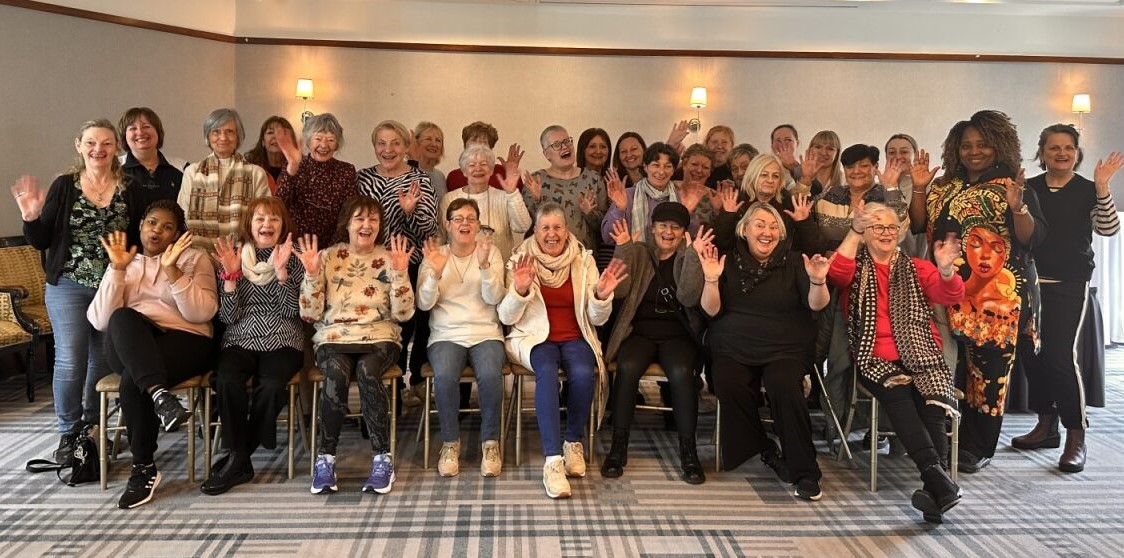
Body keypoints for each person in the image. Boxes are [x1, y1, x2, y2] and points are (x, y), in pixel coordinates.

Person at [908, 109, 1047, 473]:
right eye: (966, 145)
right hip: (946, 289)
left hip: (996, 298)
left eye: (983, 144)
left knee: (987, 376)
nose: (974, 151)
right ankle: (950, 436)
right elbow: (919, 223)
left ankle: (979, 446)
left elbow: (1032, 237)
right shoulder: (945, 184)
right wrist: (920, 187)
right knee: (951, 368)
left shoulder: (1013, 185)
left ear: (999, 145)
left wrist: (1018, 208)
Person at [827, 202, 964, 523]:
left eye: (891, 227)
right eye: (877, 227)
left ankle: (936, 487)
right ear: (865, 233)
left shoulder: (918, 266)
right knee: (900, 398)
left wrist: (945, 270)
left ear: (900, 232)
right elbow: (836, 272)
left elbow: (950, 295)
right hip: (875, 356)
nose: (886, 233)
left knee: (932, 403)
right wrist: (855, 231)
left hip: (922, 353)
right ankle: (937, 477)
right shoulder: (855, 265)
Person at [686, 202, 831, 501]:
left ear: (780, 233)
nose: (767, 231)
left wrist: (817, 280)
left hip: (785, 349)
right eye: (760, 225)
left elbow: (817, 304)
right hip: (733, 346)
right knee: (726, 380)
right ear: (745, 230)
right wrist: (711, 278)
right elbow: (711, 311)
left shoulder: (795, 262)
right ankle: (765, 449)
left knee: (783, 384)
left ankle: (805, 471)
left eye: (773, 226)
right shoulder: (725, 260)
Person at [86, 200, 218, 509]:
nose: (157, 230)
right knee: (120, 318)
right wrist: (117, 270)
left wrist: (172, 271)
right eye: (152, 223)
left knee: (133, 380)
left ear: (177, 233)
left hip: (185, 341)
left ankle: (143, 468)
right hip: (131, 343)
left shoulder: (194, 259)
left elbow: (202, 313)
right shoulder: (124, 262)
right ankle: (161, 396)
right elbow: (100, 320)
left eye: (167, 226)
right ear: (142, 225)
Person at [13, 119, 130, 464]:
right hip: (67, 284)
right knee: (70, 359)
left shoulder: (130, 188)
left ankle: (92, 431)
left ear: (116, 148)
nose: (99, 150)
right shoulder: (64, 186)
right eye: (91, 143)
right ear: (79, 145)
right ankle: (68, 432)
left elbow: (138, 235)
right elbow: (42, 240)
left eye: (107, 143)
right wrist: (31, 218)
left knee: (102, 359)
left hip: (111, 285)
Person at [498, 203, 627, 499]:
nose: (552, 234)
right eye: (545, 228)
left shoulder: (583, 260)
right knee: (545, 372)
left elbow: (597, 319)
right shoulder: (520, 259)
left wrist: (600, 295)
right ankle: (553, 460)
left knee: (583, 373)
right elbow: (506, 317)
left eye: (557, 227)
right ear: (536, 231)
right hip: (534, 338)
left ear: (567, 231)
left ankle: (572, 442)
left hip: (575, 336)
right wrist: (518, 290)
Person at [1015, 124, 1121, 473]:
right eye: (1053, 147)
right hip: (1028, 282)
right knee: (1032, 355)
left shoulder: (1089, 190)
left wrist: (1104, 187)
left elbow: (1108, 229)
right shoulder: (1028, 188)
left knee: (1060, 357)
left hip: (1068, 282)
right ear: (1041, 152)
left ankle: (1077, 435)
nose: (1061, 153)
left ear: (1077, 152)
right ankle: (1046, 426)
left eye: (1068, 147)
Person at [297, 196, 416, 495]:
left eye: (373, 219)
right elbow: (310, 314)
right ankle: (325, 459)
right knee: (336, 374)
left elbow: (404, 314)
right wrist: (311, 275)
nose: (367, 225)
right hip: (334, 337)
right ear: (347, 224)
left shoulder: (390, 258)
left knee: (367, 371)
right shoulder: (327, 257)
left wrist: (401, 273)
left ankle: (381, 458)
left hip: (379, 336)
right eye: (360, 219)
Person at [202, 197, 305, 495]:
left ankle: (238, 455)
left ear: (283, 225)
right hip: (241, 337)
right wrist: (231, 279)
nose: (266, 224)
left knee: (272, 385)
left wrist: (283, 273)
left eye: (273, 219)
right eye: (260, 219)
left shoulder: (293, 257)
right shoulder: (236, 256)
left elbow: (292, 312)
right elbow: (228, 316)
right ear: (249, 225)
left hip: (283, 337)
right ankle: (239, 456)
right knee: (226, 378)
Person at [601, 203, 707, 484]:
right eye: (662, 225)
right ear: (652, 227)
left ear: (684, 232)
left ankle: (688, 452)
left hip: (677, 335)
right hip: (640, 332)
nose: (667, 232)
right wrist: (622, 249)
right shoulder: (637, 251)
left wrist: (694, 257)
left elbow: (688, 297)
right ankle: (617, 447)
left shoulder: (688, 255)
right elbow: (620, 292)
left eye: (674, 227)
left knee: (682, 373)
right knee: (627, 366)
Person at [417, 199, 507, 478]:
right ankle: (450, 443)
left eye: (470, 218)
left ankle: (490, 444)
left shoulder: (491, 253)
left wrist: (484, 266)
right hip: (446, 334)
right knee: (444, 375)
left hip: (485, 332)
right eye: (458, 218)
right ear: (447, 224)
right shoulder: (435, 254)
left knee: (492, 374)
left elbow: (495, 299)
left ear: (479, 224)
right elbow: (423, 303)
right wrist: (435, 273)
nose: (464, 224)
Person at [356, 120, 439, 407]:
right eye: (382, 143)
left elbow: (429, 229)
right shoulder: (363, 179)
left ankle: (408, 383)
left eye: (395, 143)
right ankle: (384, 390)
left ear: (406, 147)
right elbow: (358, 225)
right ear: (374, 146)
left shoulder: (420, 180)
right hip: (372, 266)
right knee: (380, 326)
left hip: (410, 264)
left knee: (409, 326)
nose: (388, 149)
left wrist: (408, 213)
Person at [177, 108, 271, 253]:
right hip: (199, 255)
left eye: (229, 132)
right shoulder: (192, 172)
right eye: (216, 132)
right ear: (208, 136)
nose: (223, 137)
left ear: (238, 136)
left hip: (243, 255)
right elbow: (182, 215)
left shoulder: (255, 173)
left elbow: (264, 218)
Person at [712, 154, 819, 256]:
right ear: (752, 176)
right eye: (764, 175)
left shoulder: (790, 204)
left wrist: (804, 222)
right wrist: (727, 215)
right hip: (742, 270)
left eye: (775, 176)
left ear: (780, 181)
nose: (770, 180)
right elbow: (721, 246)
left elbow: (813, 249)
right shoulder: (735, 203)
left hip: (783, 269)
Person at [438, 144, 531, 263]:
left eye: (484, 164)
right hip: (460, 273)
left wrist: (512, 193)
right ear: (464, 171)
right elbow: (440, 238)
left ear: (491, 170)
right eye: (472, 165)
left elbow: (523, 227)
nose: (478, 168)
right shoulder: (449, 198)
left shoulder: (504, 196)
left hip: (498, 271)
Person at [523, 125, 608, 253]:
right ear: (547, 154)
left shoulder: (594, 179)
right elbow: (528, 226)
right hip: (547, 261)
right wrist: (537, 200)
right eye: (556, 144)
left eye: (567, 141)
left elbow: (605, 229)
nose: (565, 146)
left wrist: (589, 213)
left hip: (584, 261)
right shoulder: (536, 181)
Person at [275, 113, 357, 246]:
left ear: (337, 144)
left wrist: (331, 249)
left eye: (330, 140)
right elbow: (279, 205)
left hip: (332, 247)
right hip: (296, 246)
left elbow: (348, 215)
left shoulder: (346, 171)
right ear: (308, 140)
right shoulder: (295, 165)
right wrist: (293, 167)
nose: (323, 145)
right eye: (318, 139)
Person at [602, 143, 704, 244]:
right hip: (633, 257)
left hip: (672, 259)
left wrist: (688, 213)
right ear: (645, 167)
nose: (661, 172)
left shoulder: (681, 197)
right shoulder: (628, 195)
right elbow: (608, 238)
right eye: (656, 165)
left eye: (667, 166)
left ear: (673, 170)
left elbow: (692, 238)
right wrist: (620, 210)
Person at [117, 107, 186, 248]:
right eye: (132, 128)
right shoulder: (114, 169)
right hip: (126, 253)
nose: (140, 132)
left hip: (172, 253)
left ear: (158, 132)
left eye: (146, 126)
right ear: (124, 135)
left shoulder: (182, 168)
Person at [884, 134, 931, 260]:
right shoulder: (879, 187)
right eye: (892, 152)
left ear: (914, 155)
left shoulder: (927, 185)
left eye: (904, 152)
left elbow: (918, 226)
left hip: (917, 257)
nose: (898, 157)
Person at [446, 121, 522, 192]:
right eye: (473, 141)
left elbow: (518, 196)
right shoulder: (454, 177)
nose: (478, 146)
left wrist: (512, 171)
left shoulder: (500, 172)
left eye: (483, 142)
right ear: (465, 145)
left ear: (490, 148)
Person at [244, 116, 298, 188]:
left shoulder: (300, 167)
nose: (275, 136)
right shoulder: (251, 167)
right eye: (270, 132)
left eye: (281, 132)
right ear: (263, 141)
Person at [794, 130, 843, 197]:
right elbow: (791, 202)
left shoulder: (845, 179)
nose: (823, 153)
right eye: (818, 147)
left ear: (837, 153)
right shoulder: (796, 174)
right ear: (810, 150)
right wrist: (806, 179)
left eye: (830, 149)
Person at [412, 121, 448, 200]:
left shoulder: (440, 176)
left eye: (438, 140)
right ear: (416, 142)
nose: (434, 144)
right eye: (428, 139)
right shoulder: (406, 170)